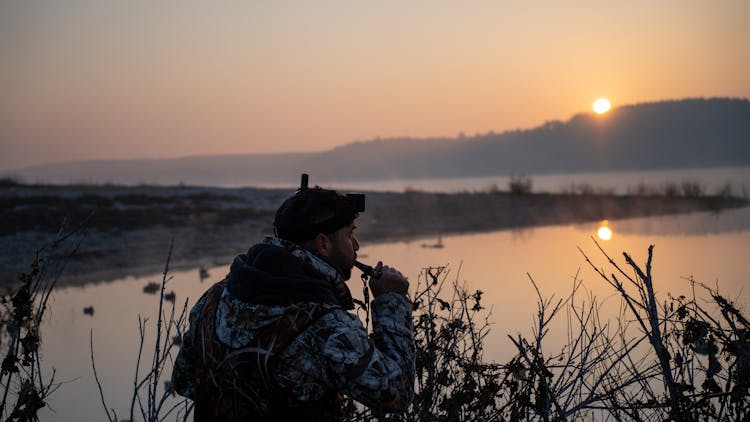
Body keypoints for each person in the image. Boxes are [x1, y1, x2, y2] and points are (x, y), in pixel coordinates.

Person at [171, 176, 415, 421]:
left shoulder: (214, 298)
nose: (356, 245)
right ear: (323, 244)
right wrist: (391, 301)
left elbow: (185, 381)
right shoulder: (326, 327)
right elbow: (396, 393)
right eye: (350, 234)